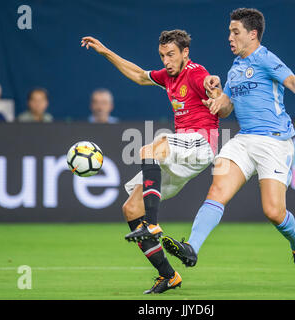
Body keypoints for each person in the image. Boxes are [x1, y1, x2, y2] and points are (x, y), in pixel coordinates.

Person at [162, 8, 295, 282]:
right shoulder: (235, 69)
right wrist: (215, 99)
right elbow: (226, 108)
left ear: (253, 34)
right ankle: (192, 247)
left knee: (273, 212)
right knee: (217, 189)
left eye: (235, 32)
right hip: (244, 140)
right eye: (229, 32)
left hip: (274, 142)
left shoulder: (265, 58)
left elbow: (293, 81)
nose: (229, 37)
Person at [81, 30, 222, 294]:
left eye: (171, 55)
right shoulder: (167, 76)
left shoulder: (195, 72)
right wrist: (106, 52)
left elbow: (212, 89)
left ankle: (153, 223)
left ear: (185, 53)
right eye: (162, 55)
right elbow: (138, 75)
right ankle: (168, 275)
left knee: (149, 149)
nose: (166, 61)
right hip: (181, 154)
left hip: (202, 143)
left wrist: (215, 92)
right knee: (131, 208)